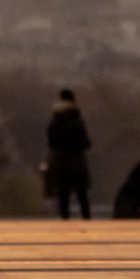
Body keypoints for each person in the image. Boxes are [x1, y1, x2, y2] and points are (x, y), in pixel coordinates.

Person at [45, 89, 92, 220]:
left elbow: (51, 142)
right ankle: (87, 220)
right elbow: (86, 142)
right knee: (82, 193)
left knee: (63, 193)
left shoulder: (54, 121)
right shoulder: (77, 121)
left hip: (60, 161)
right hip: (76, 159)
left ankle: (65, 220)